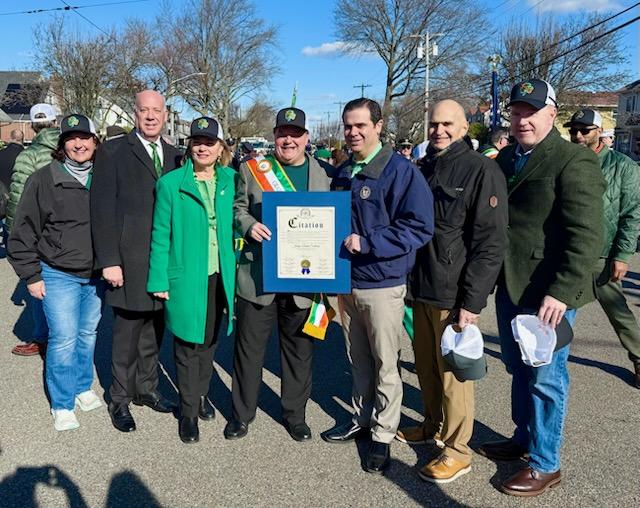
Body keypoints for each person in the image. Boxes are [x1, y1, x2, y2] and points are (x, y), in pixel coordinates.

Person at [479, 79, 604, 497]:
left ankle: (546, 463)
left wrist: (563, 291)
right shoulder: (507, 157)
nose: (522, 119)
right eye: (515, 112)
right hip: (512, 285)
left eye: (531, 112)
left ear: (552, 114)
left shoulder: (573, 160)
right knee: (518, 369)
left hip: (548, 292)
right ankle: (524, 438)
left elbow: (587, 234)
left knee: (547, 378)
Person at [396, 100, 508, 483]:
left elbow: (490, 243)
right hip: (420, 285)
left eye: (447, 124)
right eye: (433, 124)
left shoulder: (481, 170)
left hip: (452, 292)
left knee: (453, 377)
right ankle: (431, 425)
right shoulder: (424, 168)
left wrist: (472, 302)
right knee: (426, 366)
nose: (439, 130)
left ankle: (458, 450)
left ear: (464, 128)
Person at [321, 98, 434, 474]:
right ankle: (363, 418)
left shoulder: (401, 172)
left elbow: (419, 227)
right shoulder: (343, 172)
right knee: (359, 359)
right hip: (346, 281)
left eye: (360, 126)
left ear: (378, 126)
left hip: (382, 284)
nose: (353, 133)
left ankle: (384, 435)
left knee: (386, 363)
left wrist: (369, 243)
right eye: (348, 126)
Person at [228, 107, 332, 441]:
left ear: (306, 138)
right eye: (282, 133)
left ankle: (295, 415)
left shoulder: (326, 175)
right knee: (249, 351)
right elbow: (236, 208)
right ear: (274, 136)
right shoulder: (251, 170)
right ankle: (242, 414)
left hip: (304, 279)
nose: (288, 139)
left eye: (295, 133)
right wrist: (249, 225)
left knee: (299, 351)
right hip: (259, 276)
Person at [91, 90, 183, 433]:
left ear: (164, 114)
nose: (150, 116)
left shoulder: (175, 155)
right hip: (127, 260)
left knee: (155, 329)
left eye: (156, 110)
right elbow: (101, 210)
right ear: (135, 113)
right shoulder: (114, 151)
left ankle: (147, 389)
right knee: (127, 333)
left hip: (163, 261)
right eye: (144, 110)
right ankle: (119, 398)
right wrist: (109, 261)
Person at [7, 114, 105, 431]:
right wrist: (31, 276)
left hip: (95, 275)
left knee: (87, 334)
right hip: (57, 272)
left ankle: (81, 386)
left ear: (95, 142)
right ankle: (62, 403)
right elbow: (22, 232)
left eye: (85, 138)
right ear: (62, 145)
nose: (79, 144)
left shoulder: (103, 178)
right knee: (63, 338)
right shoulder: (44, 179)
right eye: (71, 139)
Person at [147, 117, 237, 443]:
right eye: (197, 141)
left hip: (220, 277)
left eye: (209, 142)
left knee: (210, 341)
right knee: (187, 345)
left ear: (220, 147)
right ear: (190, 145)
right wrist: (159, 279)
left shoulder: (230, 180)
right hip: (186, 278)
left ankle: (200, 395)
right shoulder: (171, 184)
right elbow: (159, 236)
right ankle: (187, 412)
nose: (202, 147)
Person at [566, 108, 640, 389]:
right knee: (557, 314)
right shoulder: (567, 161)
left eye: (584, 130)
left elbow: (632, 213)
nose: (578, 135)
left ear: (599, 132)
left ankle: (639, 357)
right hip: (569, 253)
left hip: (603, 256)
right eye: (574, 130)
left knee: (618, 313)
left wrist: (622, 255)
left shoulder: (623, 166)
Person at [6, 103, 59, 357]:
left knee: (39, 284)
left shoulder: (27, 156)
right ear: (54, 122)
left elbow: (17, 199)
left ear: (31, 126)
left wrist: (14, 236)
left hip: (38, 231)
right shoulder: (73, 147)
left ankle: (43, 337)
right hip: (70, 230)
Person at [0, 129, 24, 247]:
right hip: (20, 195)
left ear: (11, 138)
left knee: (5, 221)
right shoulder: (26, 156)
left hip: (2, 195)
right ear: (22, 139)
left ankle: (6, 242)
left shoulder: (1, 154)